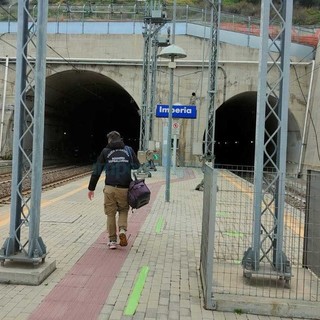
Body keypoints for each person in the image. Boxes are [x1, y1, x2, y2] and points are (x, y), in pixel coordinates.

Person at [87, 131, 140, 250]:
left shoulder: (106, 151)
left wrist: (91, 188)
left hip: (110, 188)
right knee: (123, 210)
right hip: (124, 188)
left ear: (109, 140)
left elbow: (97, 171)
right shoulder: (128, 150)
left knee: (110, 214)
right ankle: (122, 229)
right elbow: (137, 166)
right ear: (120, 139)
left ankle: (112, 241)